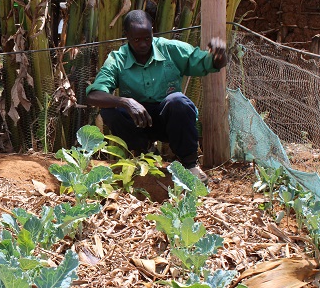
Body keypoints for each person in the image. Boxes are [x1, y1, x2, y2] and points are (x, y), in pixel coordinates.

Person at [85, 10, 227, 182]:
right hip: (138, 122)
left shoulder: (171, 49)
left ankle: (190, 165)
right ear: (127, 36)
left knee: (178, 101)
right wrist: (125, 102)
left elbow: (206, 63)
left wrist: (218, 57)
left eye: (147, 38)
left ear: (153, 31)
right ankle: (144, 153)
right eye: (137, 40)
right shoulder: (117, 59)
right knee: (110, 110)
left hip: (170, 120)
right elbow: (93, 95)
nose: (143, 44)